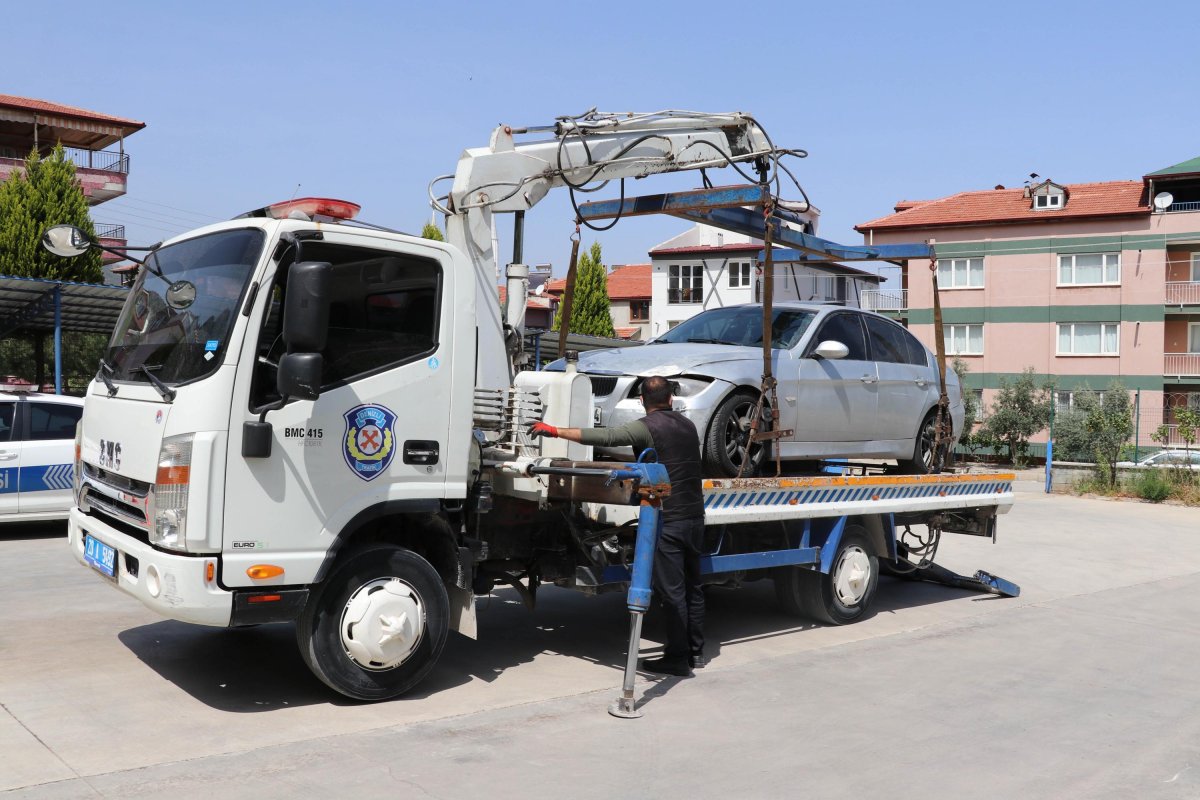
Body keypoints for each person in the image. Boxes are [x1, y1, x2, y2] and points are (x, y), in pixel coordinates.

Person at [532, 375, 706, 677]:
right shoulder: (688, 425)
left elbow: (609, 437)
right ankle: (696, 651)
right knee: (694, 587)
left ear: (642, 400)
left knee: (672, 592)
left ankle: (678, 658)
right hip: (695, 515)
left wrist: (555, 431)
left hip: (671, 519)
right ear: (670, 399)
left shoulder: (647, 426)